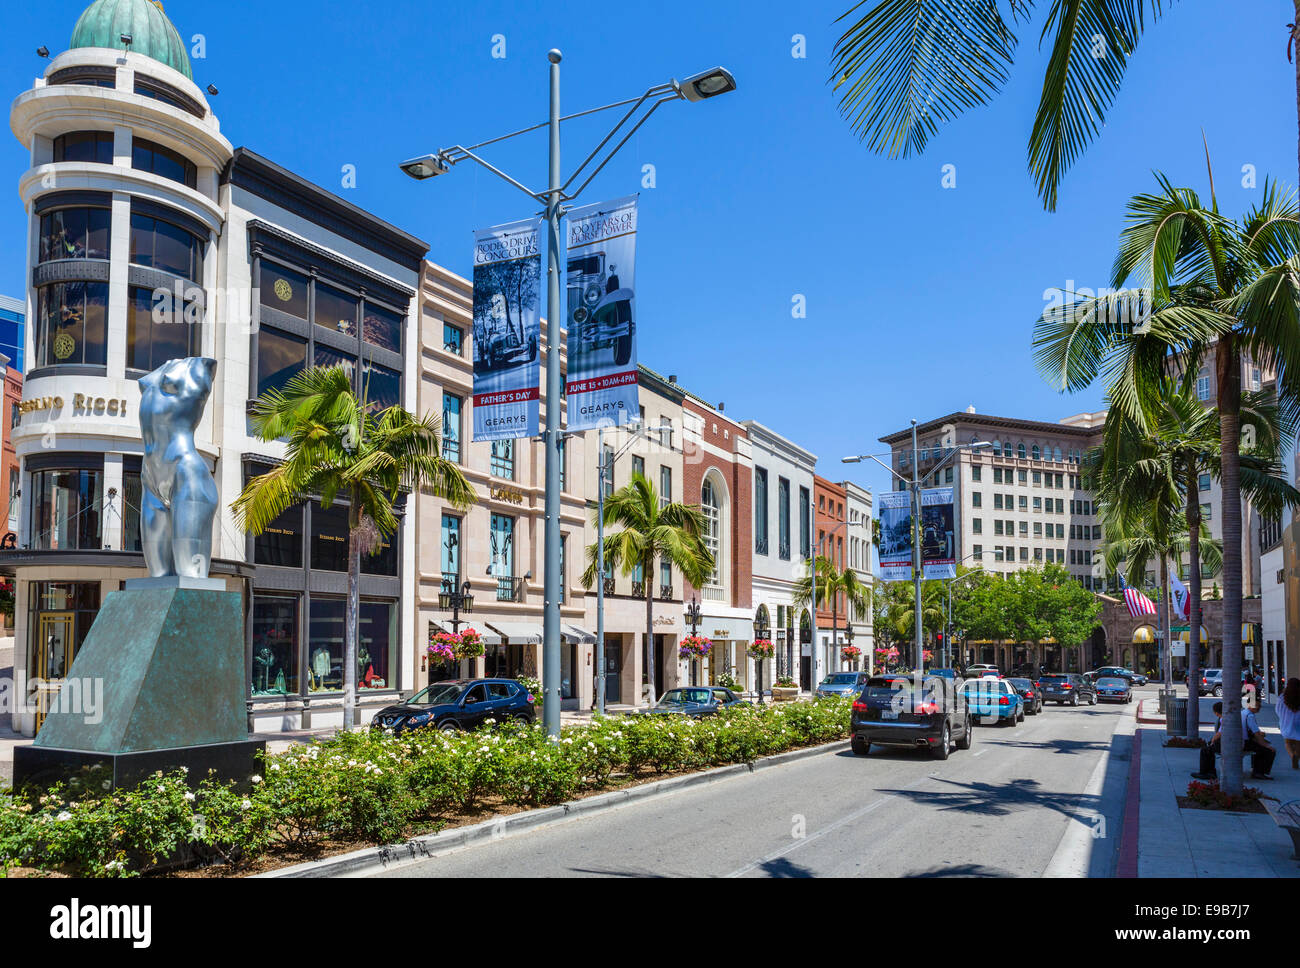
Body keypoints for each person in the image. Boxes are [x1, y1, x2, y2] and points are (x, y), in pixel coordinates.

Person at [1193, 700, 1276, 780]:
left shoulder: (1236, 715)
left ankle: (1207, 772)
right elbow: (1255, 734)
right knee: (1265, 749)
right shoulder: (1242, 715)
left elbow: (1219, 734)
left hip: (1233, 743)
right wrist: (1266, 745)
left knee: (1206, 750)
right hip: (1239, 742)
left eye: (1259, 706)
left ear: (1216, 713)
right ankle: (1258, 772)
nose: (1259, 708)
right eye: (1257, 706)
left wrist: (1212, 741)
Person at [1278, 678, 1300, 770]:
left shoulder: (1283, 697)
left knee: (1288, 742)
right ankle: (1296, 755)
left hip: (1286, 722)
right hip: (1298, 722)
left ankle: (1292, 756)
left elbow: (1278, 709)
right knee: (1299, 742)